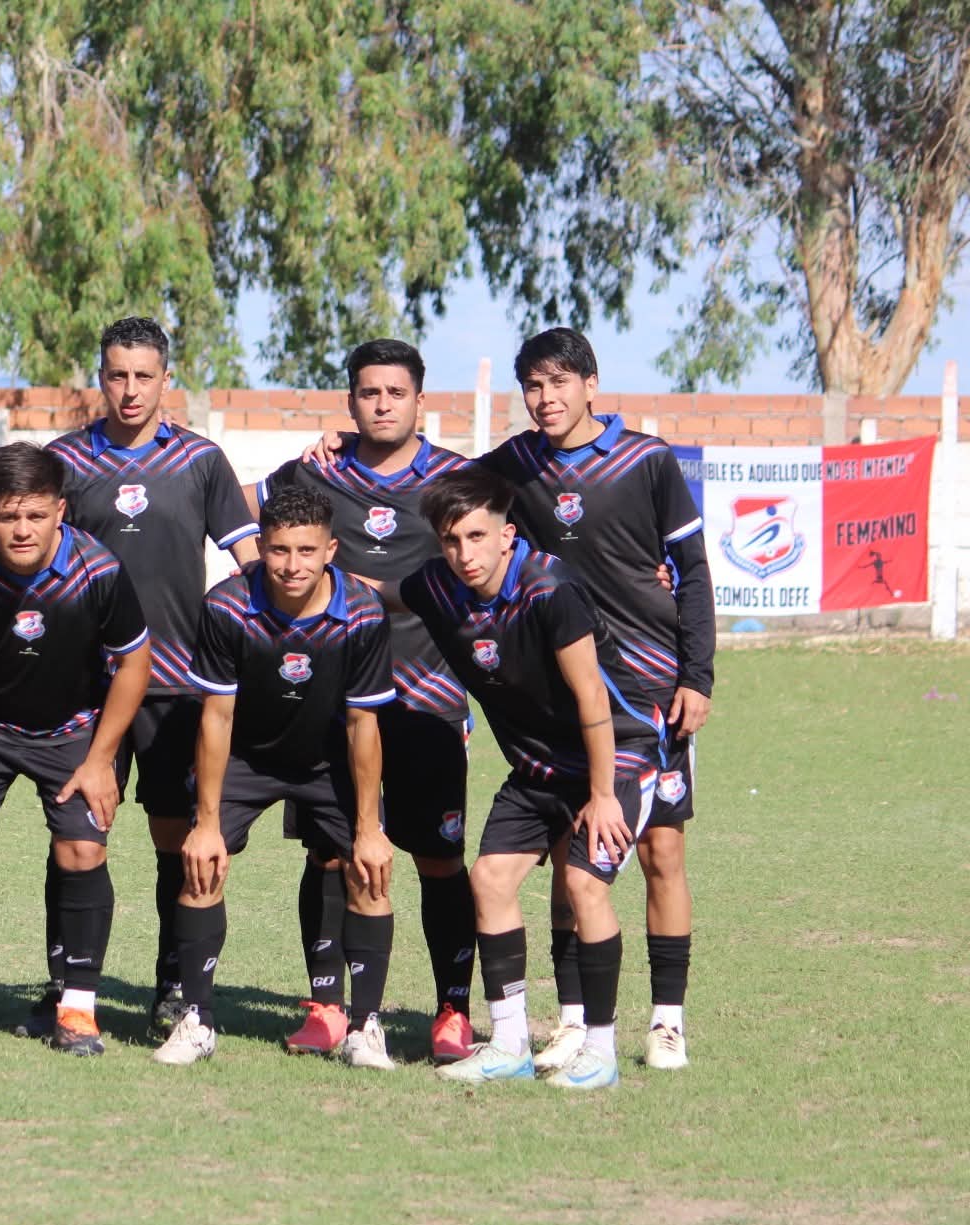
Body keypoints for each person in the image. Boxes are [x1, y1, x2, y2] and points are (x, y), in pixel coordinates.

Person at [478, 328, 714, 1071]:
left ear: (590, 384)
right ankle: (575, 1019)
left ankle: (667, 1022)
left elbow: (693, 571)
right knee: (570, 848)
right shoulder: (514, 465)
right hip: (569, 694)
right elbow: (432, 486)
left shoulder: (648, 461)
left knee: (661, 851)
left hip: (651, 690)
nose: (545, 399)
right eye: (534, 386)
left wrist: (697, 676)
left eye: (559, 383)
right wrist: (338, 448)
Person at [394, 468, 664, 1090]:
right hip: (539, 767)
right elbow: (386, 593)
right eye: (451, 540)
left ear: (506, 535)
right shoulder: (437, 584)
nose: (465, 553)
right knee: (489, 879)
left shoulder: (550, 589)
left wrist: (603, 796)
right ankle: (510, 1043)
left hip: (618, 754)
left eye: (477, 536)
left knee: (584, 885)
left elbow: (592, 696)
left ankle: (600, 1052)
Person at [258, 339, 477, 1062]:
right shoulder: (315, 473)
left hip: (427, 699)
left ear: (420, 400)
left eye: (395, 393)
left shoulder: (458, 478)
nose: (382, 405)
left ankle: (453, 1011)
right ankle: (326, 1005)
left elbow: (505, 554)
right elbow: (252, 514)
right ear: (350, 401)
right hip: (332, 700)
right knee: (330, 854)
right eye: (368, 393)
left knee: (437, 859)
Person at [41, 316, 259, 1039]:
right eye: (117, 375)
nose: (130, 389)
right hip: (86, 686)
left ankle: (175, 987)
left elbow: (251, 564)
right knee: (78, 836)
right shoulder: (66, 460)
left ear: (168, 379)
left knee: (177, 838)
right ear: (99, 378)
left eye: (144, 376)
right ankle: (67, 985)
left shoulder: (201, 461)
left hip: (177, 686)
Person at [0, 443, 151, 1055]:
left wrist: (100, 760)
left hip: (73, 727)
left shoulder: (98, 569)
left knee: (82, 849)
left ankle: (77, 1010)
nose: (22, 529)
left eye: (36, 515)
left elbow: (134, 662)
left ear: (60, 510)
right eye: (7, 515)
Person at [155, 488, 396, 1067]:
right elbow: (216, 717)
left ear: (330, 550)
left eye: (307, 550)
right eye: (279, 550)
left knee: (369, 872)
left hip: (327, 760)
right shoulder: (227, 607)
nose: (292, 565)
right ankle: (196, 1020)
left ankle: (365, 1027)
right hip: (246, 757)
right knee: (202, 864)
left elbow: (363, 725)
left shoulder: (364, 613)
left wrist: (369, 828)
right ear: (260, 547)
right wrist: (206, 824)